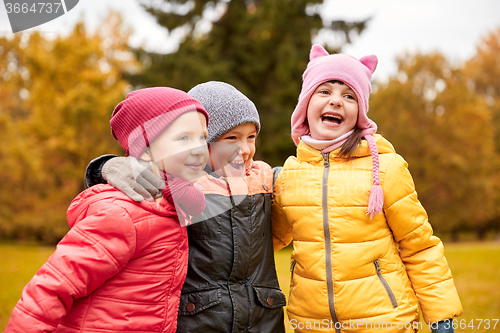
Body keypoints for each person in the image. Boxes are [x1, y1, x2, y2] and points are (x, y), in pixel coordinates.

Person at [271, 44, 463, 333]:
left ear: (359, 113)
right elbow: (266, 240)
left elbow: (419, 247)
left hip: (384, 322)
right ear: (305, 106)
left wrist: (441, 318)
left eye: (349, 96)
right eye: (324, 91)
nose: (336, 101)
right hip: (311, 325)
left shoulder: (385, 169)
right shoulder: (289, 175)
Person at [84, 81, 286, 333]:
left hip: (263, 322)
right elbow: (125, 194)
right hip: (199, 322)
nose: (244, 149)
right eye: (231, 138)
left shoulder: (264, 179)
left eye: (251, 137)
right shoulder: (178, 184)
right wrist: (105, 166)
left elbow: (314, 179)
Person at [6, 87, 210, 333]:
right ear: (145, 149)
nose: (199, 148)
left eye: (202, 137)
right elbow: (51, 289)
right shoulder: (124, 212)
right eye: (183, 138)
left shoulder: (173, 207)